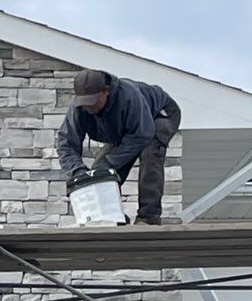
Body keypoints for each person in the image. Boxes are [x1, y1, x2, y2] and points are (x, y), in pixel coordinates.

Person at [57, 69, 181, 225]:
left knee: (150, 151)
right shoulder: (78, 109)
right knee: (98, 174)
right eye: (85, 103)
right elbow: (65, 144)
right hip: (125, 130)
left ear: (106, 91)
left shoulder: (129, 97)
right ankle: (114, 218)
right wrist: (78, 172)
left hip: (159, 115)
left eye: (93, 101)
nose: (89, 107)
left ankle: (148, 217)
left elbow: (142, 135)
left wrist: (108, 164)